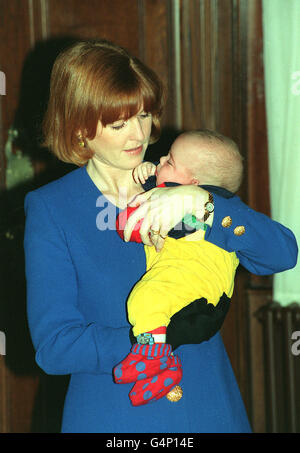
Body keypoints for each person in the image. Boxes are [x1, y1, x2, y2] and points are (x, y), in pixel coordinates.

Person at [24, 39, 298, 433]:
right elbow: (54, 347)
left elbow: (281, 254)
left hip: (208, 406)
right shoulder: (53, 208)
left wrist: (204, 204)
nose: (139, 134)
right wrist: (154, 338)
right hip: (118, 413)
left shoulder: (182, 177)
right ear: (80, 129)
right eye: (119, 124)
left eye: (145, 115)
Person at [113, 130, 243, 407]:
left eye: (169, 161)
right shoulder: (200, 200)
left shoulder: (193, 208)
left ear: (193, 183)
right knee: (153, 308)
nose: (160, 158)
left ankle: (155, 357)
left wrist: (137, 211)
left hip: (195, 289)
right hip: (203, 301)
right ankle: (163, 366)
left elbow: (136, 225)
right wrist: (150, 175)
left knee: (145, 301)